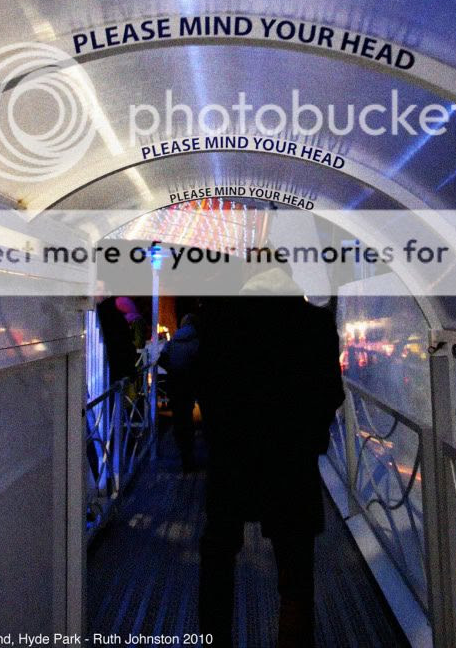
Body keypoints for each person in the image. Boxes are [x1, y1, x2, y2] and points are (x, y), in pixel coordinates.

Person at [197, 266, 344, 648]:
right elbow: (331, 392)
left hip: (233, 457)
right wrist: (312, 438)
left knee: (219, 553)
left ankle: (214, 637)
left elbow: (206, 388)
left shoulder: (220, 320)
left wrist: (220, 436)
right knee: (295, 568)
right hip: (292, 460)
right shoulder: (316, 323)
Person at [158, 311, 200, 471]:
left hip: (174, 381)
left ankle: (181, 449)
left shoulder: (173, 340)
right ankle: (188, 455)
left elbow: (162, 359)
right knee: (187, 416)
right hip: (188, 382)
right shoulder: (196, 341)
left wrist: (172, 368)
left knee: (178, 417)